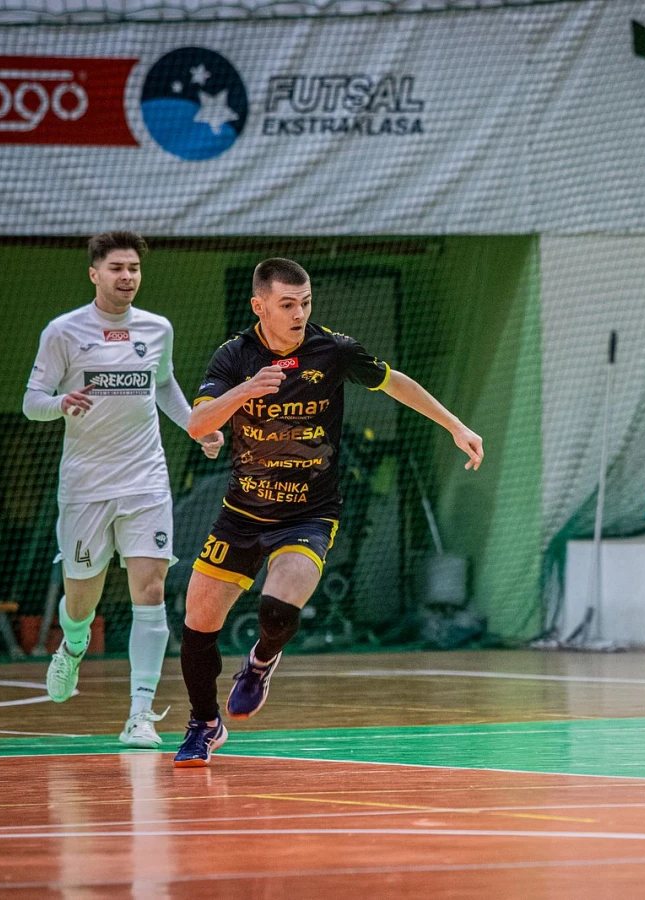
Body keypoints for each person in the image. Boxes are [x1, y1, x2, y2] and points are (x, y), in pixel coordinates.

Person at [173, 257, 484, 767]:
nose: (299, 314)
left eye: (306, 303)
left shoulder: (332, 350)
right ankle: (204, 724)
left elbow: (395, 382)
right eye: (287, 305)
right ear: (259, 307)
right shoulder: (234, 356)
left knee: (277, 611)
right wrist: (246, 390)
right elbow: (197, 423)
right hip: (242, 514)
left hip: (309, 514)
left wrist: (455, 425)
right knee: (198, 623)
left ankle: (260, 661)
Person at [23, 231, 224, 748]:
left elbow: (164, 384)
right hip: (86, 486)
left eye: (133, 268)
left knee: (151, 591)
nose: (127, 276)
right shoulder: (63, 332)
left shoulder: (157, 329)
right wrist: (60, 403)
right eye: (116, 268)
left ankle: (140, 714)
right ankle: (72, 647)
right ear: (94, 274)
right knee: (81, 601)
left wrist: (196, 426)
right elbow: (31, 401)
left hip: (145, 481)